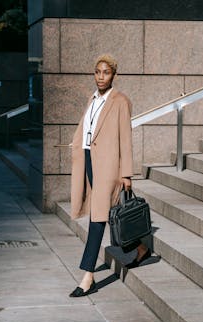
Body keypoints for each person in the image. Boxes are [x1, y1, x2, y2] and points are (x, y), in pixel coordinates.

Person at [69, 54, 151, 297]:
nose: (101, 76)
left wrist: (126, 173)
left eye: (105, 72)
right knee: (104, 213)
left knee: (98, 219)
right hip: (89, 163)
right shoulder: (92, 99)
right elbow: (88, 130)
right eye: (97, 72)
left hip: (108, 167)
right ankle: (140, 249)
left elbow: (125, 138)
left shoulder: (120, 101)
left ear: (114, 74)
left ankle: (88, 276)